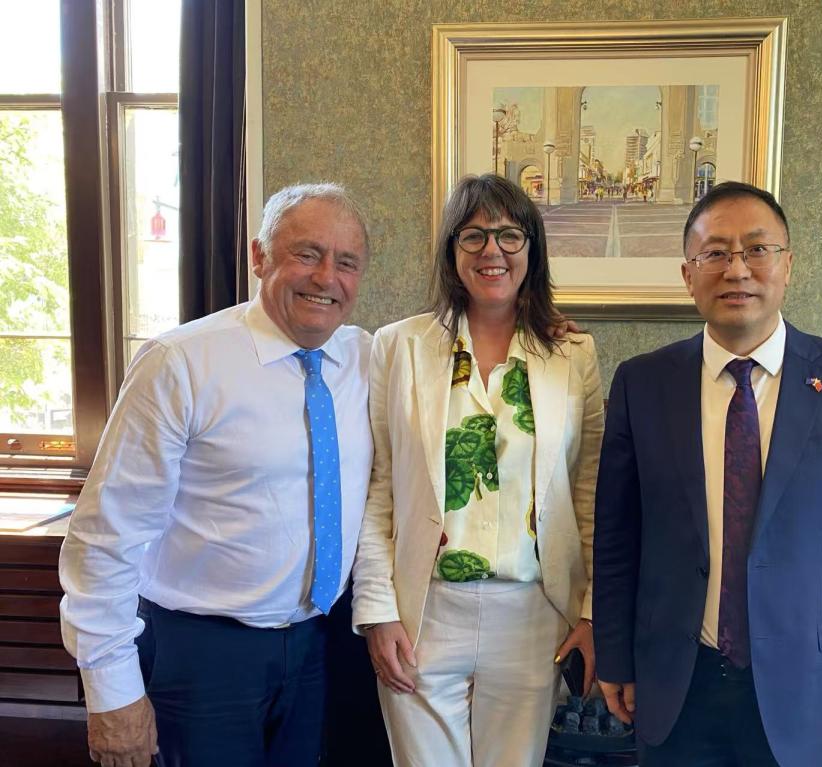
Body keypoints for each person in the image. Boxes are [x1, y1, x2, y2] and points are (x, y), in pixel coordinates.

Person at [593, 181, 822, 767]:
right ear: (688, 275)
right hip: (678, 684)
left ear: (787, 265)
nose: (737, 269)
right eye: (715, 253)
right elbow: (618, 539)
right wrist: (615, 659)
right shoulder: (642, 384)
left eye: (757, 250)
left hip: (813, 689)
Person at [59, 183, 374, 767]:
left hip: (318, 648)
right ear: (259, 256)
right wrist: (111, 691)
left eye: (346, 262)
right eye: (306, 253)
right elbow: (107, 535)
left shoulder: (365, 358)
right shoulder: (180, 363)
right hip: (200, 657)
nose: (326, 277)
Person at [351, 173, 603, 766]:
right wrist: (376, 610)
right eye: (473, 235)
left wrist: (593, 613)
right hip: (424, 611)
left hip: (534, 613)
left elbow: (589, 491)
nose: (493, 250)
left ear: (532, 249)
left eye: (510, 235)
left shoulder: (572, 354)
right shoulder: (398, 347)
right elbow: (378, 489)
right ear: (452, 251)